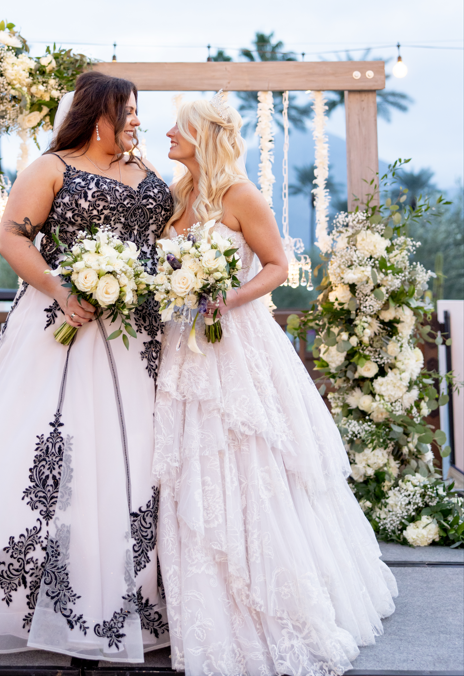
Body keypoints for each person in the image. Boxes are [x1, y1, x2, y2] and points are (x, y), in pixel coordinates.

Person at [0, 71, 173, 663]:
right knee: (59, 447)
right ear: (96, 113)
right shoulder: (50, 168)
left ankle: (138, 592)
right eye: (125, 110)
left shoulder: (148, 171)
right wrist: (62, 286)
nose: (134, 120)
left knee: (140, 450)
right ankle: (35, 598)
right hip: (65, 326)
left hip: (141, 334)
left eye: (136, 111)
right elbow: (12, 239)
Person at [154, 94, 397, 676]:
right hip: (179, 347)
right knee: (189, 463)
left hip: (233, 343)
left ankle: (264, 598)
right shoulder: (179, 193)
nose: (166, 133)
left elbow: (277, 266)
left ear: (201, 135)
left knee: (246, 458)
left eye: (177, 128)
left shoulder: (241, 195)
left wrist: (224, 298)